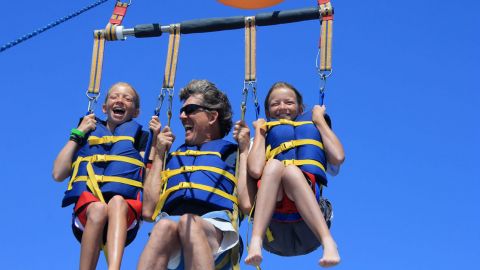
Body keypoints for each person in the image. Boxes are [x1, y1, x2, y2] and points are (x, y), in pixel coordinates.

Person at [138, 80, 250, 270]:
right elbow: (148, 212)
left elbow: (247, 205)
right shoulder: (171, 158)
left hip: (216, 232)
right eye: (182, 111)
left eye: (190, 110)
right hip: (173, 235)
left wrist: (245, 150)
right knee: (163, 227)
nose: (182, 116)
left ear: (212, 116)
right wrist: (158, 155)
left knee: (189, 222)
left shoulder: (233, 154)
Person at [53, 82, 156, 270]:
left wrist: (157, 146)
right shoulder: (87, 132)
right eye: (114, 96)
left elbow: (147, 178)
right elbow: (58, 174)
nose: (120, 100)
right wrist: (78, 134)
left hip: (126, 217)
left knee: (117, 201)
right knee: (99, 208)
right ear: (104, 107)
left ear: (136, 112)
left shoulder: (142, 138)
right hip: (86, 217)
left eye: (127, 98)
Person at [242, 82, 344, 267]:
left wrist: (320, 120)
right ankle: (256, 241)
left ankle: (328, 241)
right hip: (274, 220)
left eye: (288, 102)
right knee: (273, 165)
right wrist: (260, 132)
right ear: (267, 112)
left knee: (290, 171)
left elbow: (337, 157)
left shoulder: (315, 131)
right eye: (275, 104)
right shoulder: (260, 137)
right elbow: (256, 169)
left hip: (308, 219)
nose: (282, 107)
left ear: (300, 108)